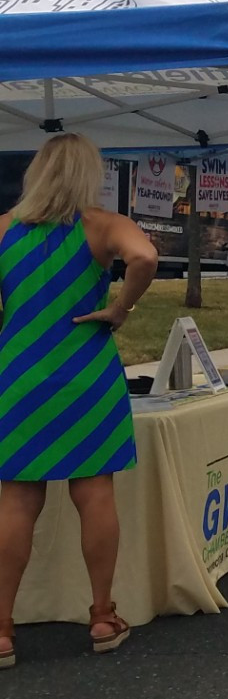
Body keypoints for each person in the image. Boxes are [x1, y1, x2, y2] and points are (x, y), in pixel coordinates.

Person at [0, 134, 159, 665]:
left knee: (16, 500)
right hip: (85, 372)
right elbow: (146, 256)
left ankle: (1, 628)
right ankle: (102, 614)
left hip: (18, 374)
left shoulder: (3, 228)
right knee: (94, 494)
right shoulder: (102, 225)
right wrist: (120, 309)